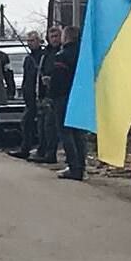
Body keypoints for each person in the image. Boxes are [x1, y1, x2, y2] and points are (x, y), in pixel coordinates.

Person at [51, 26, 86, 180]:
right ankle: (81, 166)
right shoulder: (83, 55)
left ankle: (73, 167)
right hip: (80, 97)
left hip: (63, 97)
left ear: (67, 37)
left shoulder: (62, 56)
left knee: (66, 132)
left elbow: (58, 80)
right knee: (79, 133)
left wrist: (51, 91)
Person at [28, 26, 62, 165]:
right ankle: (42, 150)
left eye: (56, 36)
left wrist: (51, 80)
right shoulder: (45, 54)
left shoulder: (62, 53)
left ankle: (50, 153)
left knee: (50, 126)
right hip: (43, 94)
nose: (54, 39)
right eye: (51, 36)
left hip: (56, 94)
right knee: (41, 125)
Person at [8, 31, 45, 159]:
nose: (30, 43)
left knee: (40, 125)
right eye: (28, 41)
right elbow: (26, 78)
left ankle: (40, 149)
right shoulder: (28, 58)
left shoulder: (42, 56)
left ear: (39, 41)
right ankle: (25, 148)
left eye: (33, 40)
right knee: (26, 123)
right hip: (28, 96)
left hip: (39, 95)